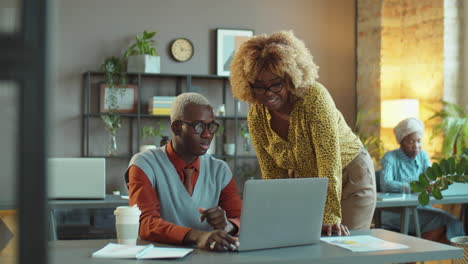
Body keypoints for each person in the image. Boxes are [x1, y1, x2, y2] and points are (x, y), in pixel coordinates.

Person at [229, 30, 376, 235]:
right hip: (307, 182)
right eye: (259, 87)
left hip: (348, 175)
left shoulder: (315, 98)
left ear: (290, 77)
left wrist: (330, 218)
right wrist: (278, 216)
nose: (268, 93)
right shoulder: (256, 117)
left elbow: (328, 162)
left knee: (343, 245)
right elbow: (272, 173)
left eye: (276, 84)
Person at [125, 92, 242, 251]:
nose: (207, 134)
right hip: (159, 258)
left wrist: (228, 226)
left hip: (209, 258)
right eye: (199, 127)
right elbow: (145, 223)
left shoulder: (220, 170)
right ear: (177, 128)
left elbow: (241, 220)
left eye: (211, 126)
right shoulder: (144, 164)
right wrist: (198, 236)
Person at [380, 117, 465, 243]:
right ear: (401, 141)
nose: (416, 146)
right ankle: (414, 255)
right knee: (446, 222)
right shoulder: (390, 157)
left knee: (453, 222)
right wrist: (415, 187)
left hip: (420, 208)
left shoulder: (423, 156)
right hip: (395, 212)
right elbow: (386, 184)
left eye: (419, 141)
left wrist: (435, 183)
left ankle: (413, 256)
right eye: (411, 142)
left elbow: (430, 179)